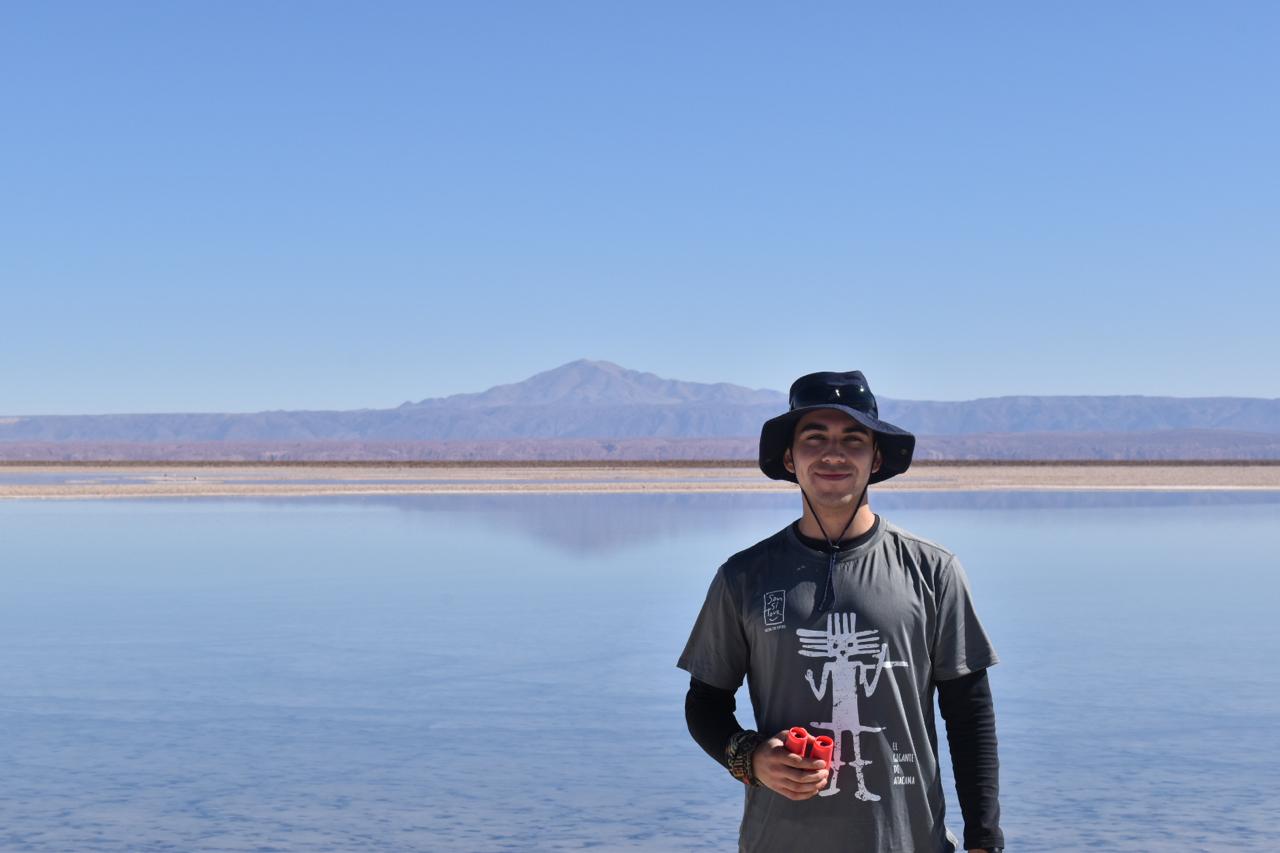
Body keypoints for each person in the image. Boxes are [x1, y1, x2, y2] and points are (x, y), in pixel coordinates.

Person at [678, 370, 1004, 852]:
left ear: (876, 458)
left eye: (853, 439)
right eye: (815, 438)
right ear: (790, 457)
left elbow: (969, 714)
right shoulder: (744, 577)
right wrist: (751, 757)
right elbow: (705, 702)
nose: (833, 454)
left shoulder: (932, 570)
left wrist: (985, 840)